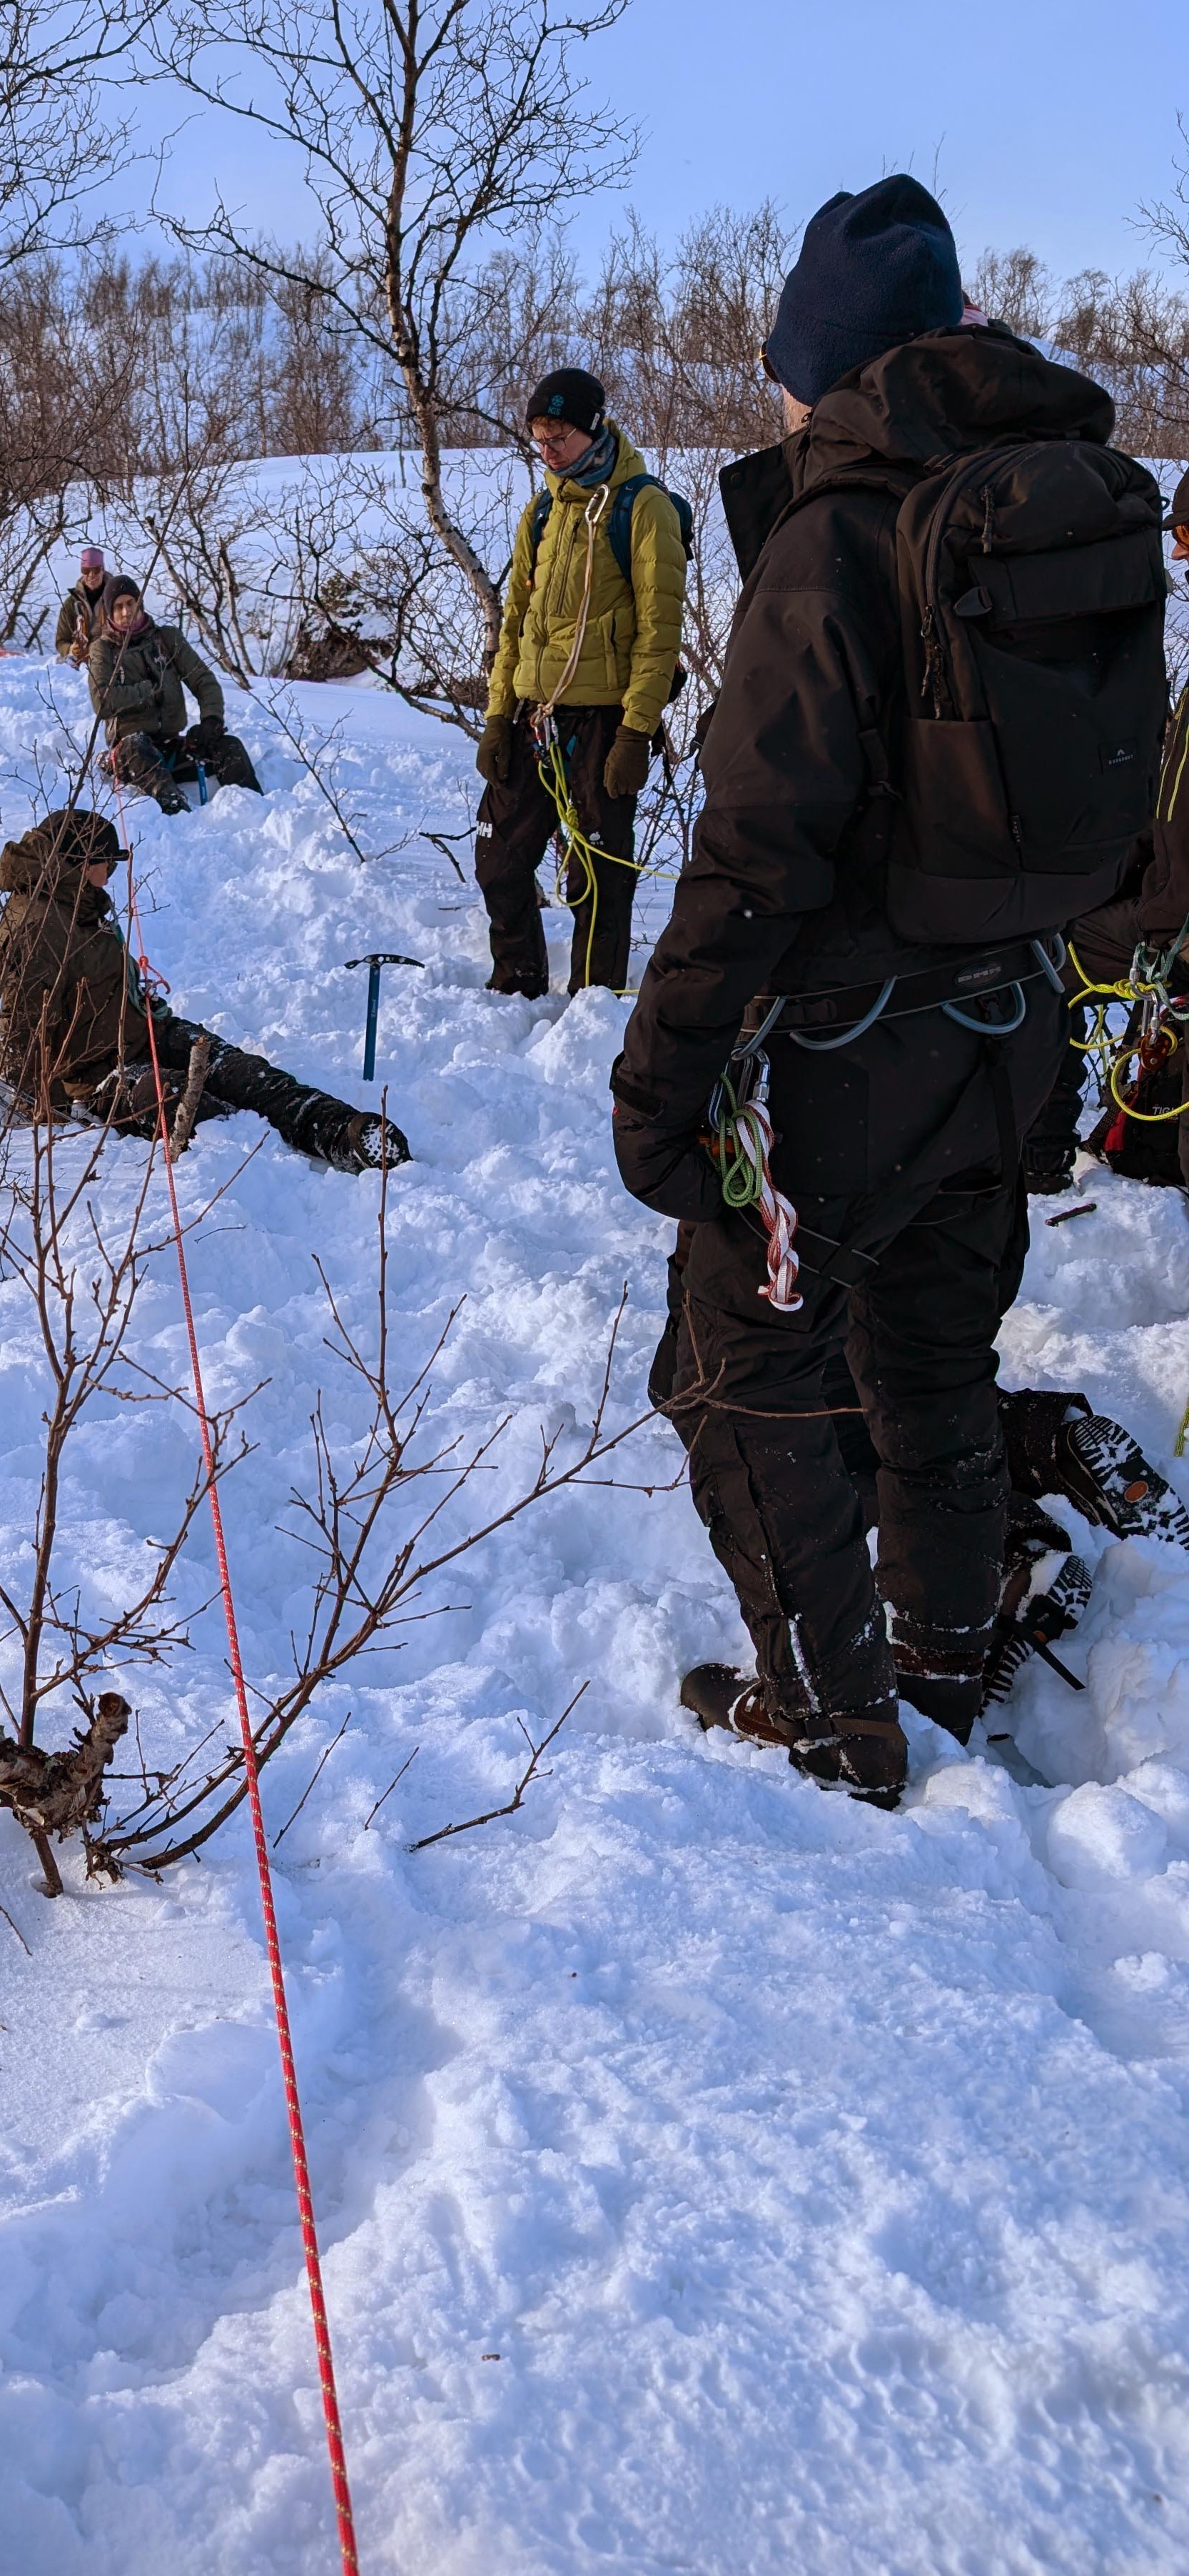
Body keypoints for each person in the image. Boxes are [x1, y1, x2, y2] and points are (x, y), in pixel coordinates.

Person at [610, 176, 1168, 1806]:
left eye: (785, 362)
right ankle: (930, 1654)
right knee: (926, 1363)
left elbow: (753, 848)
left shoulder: (834, 533)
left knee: (734, 1364)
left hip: (839, 1062)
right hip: (1011, 1035)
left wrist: (661, 1076)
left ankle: (836, 1722)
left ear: (828, 364)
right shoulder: (1057, 510)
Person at [0, 806, 408, 1172]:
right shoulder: (37, 928)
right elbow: (20, 1032)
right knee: (199, 1114)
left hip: (146, 1035)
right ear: (83, 864)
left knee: (243, 1073)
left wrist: (133, 1000)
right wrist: (50, 1112)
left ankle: (342, 1132)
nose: (112, 875)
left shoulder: (76, 902)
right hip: (95, 1075)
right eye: (109, 865)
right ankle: (275, 1170)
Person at [475, 367, 689, 995]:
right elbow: (514, 620)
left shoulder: (643, 507)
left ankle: (594, 1002)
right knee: (500, 862)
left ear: (594, 428)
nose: (546, 451)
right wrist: (496, 715)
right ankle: (517, 983)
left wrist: (634, 733)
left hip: (601, 722)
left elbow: (660, 632)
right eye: (538, 439)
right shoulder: (542, 510)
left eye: (558, 437)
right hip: (532, 717)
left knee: (597, 875)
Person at [1019, 468, 1189, 1192]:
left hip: (1177, 924)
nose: (1180, 557)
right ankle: (1144, 1146)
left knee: (1049, 961)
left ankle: (1037, 1151)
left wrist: (1161, 922)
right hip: (1166, 900)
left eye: (1186, 537)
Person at [86, 576, 262, 812]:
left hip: (172, 746)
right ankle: (179, 813)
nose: (127, 612)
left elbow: (204, 681)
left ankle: (257, 809)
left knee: (229, 747)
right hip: (131, 753)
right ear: (109, 612)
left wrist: (211, 721)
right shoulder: (103, 649)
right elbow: (103, 702)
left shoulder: (167, 639)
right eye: (118, 607)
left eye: (131, 603)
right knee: (138, 746)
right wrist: (148, 690)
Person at [53, 545, 106, 668]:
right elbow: (61, 641)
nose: (91, 575)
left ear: (103, 570)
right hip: (78, 666)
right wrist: (71, 649)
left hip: (108, 662)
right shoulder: (70, 605)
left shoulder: (115, 599)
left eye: (96, 570)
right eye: (86, 570)